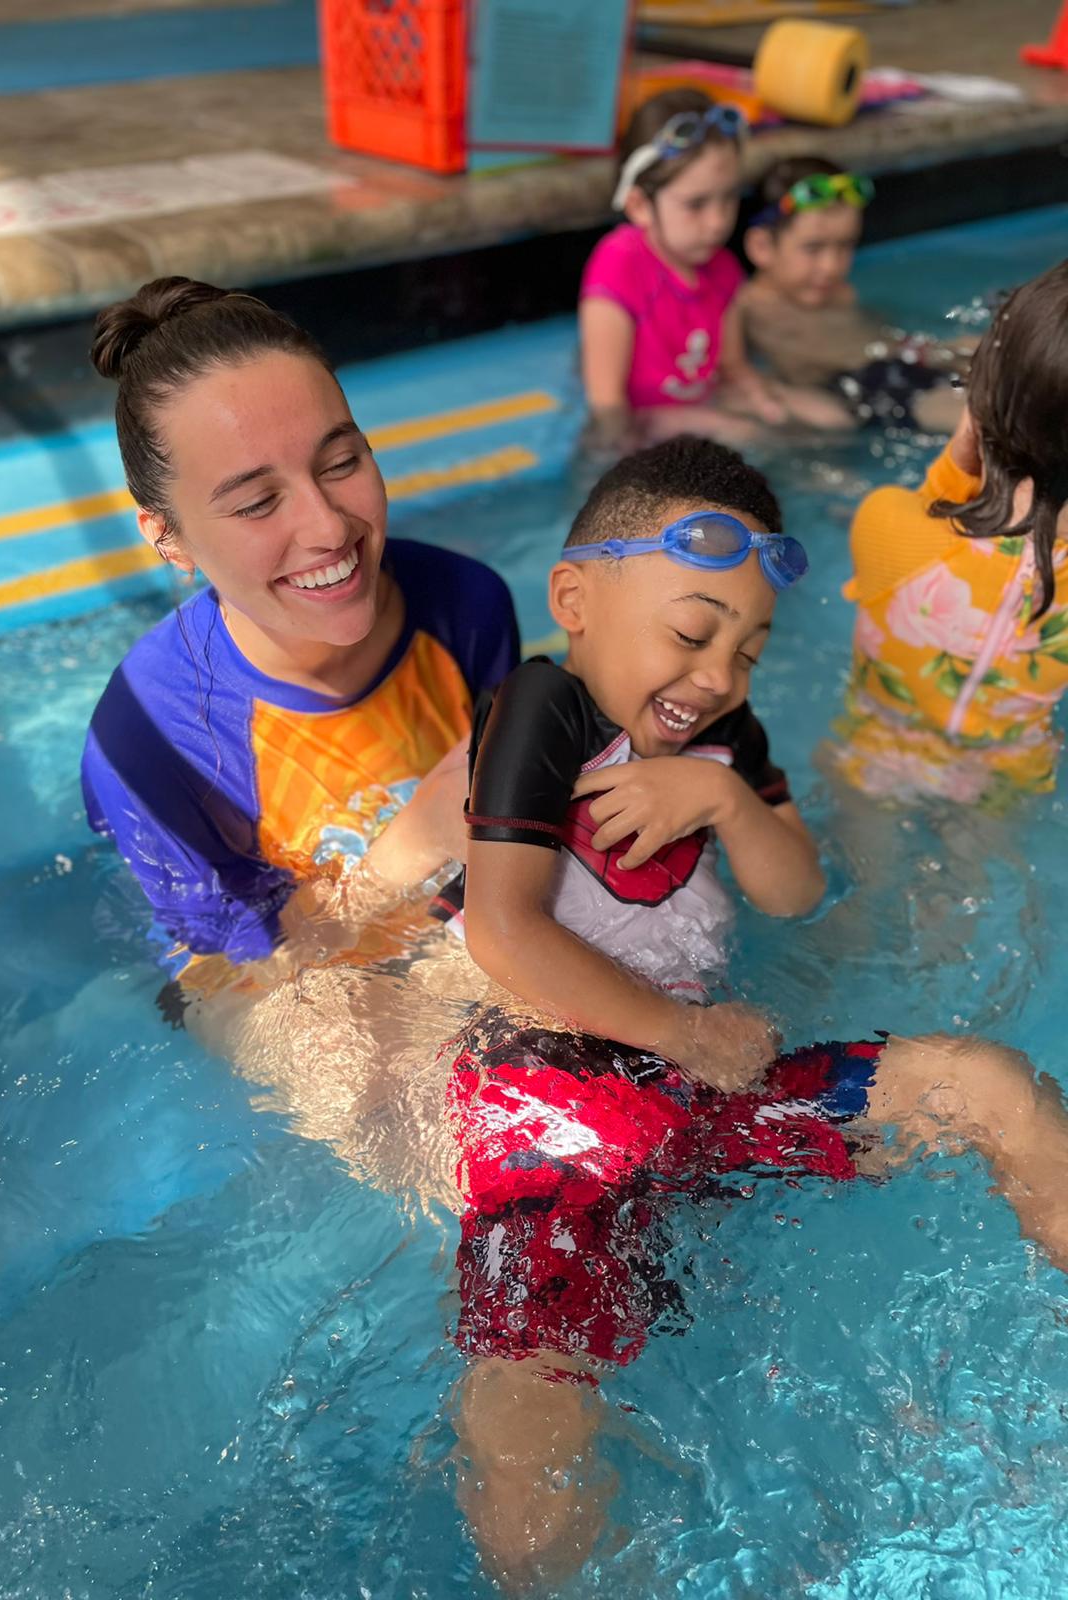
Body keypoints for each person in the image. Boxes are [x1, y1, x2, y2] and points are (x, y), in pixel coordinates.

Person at [441, 437, 1068, 1590]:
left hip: (706, 1091)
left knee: (992, 1085)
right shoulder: (546, 706)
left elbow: (797, 887)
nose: (719, 673)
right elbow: (505, 929)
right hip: (556, 1097)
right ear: (575, 599)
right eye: (692, 633)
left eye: (748, 649)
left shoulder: (728, 743)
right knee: (536, 1374)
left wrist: (724, 792)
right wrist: (683, 1034)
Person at [81, 275, 519, 1188]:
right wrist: (417, 844)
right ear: (169, 538)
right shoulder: (152, 738)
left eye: (339, 461)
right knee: (338, 1055)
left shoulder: (467, 605)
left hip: (447, 933)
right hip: (285, 985)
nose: (329, 527)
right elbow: (241, 982)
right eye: (255, 503)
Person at [834, 258, 1068, 805]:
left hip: (878, 749)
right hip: (1005, 776)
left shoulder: (886, 524)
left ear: (978, 410)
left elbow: (928, 506)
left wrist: (966, 444)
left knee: (868, 884)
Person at [578, 89, 801, 456]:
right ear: (639, 205)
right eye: (696, 204)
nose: (717, 223)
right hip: (643, 418)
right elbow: (607, 404)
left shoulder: (724, 269)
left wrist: (762, 398)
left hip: (700, 407)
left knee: (825, 416)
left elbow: (732, 366)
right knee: (747, 436)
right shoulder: (619, 266)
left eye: (728, 198)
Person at [727, 155, 969, 434]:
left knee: (981, 351)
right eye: (813, 248)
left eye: (845, 246)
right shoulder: (748, 304)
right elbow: (736, 372)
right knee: (976, 421)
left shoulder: (841, 293)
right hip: (857, 386)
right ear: (762, 247)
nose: (831, 267)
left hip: (901, 360)